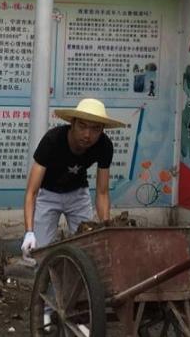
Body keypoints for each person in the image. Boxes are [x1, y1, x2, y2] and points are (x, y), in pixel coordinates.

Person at [19, 99, 126, 266]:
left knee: (88, 248)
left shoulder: (104, 145)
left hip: (78, 195)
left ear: (102, 130)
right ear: (72, 123)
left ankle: (79, 287)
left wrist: (106, 228)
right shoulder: (52, 140)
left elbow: (102, 192)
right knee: (38, 253)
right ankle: (43, 285)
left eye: (95, 129)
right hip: (48, 194)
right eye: (82, 126)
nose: (87, 135)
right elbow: (31, 192)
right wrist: (29, 232)